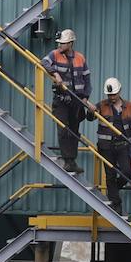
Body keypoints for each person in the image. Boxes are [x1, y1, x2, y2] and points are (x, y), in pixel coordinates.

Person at [41, 28, 92, 174]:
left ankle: (72, 161)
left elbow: (87, 80)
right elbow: (43, 62)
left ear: (70, 43)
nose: (59, 46)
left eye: (62, 43)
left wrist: (85, 98)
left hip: (77, 102)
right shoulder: (55, 55)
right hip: (62, 101)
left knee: (74, 132)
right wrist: (55, 73)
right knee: (63, 130)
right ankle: (67, 160)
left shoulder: (80, 58)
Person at [88, 77, 131, 215]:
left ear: (120, 91)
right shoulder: (101, 105)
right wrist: (91, 111)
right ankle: (116, 204)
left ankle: (113, 190)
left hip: (123, 146)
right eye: (109, 95)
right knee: (110, 175)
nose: (111, 97)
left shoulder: (130, 106)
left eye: (114, 94)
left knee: (127, 172)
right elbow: (89, 118)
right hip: (106, 147)